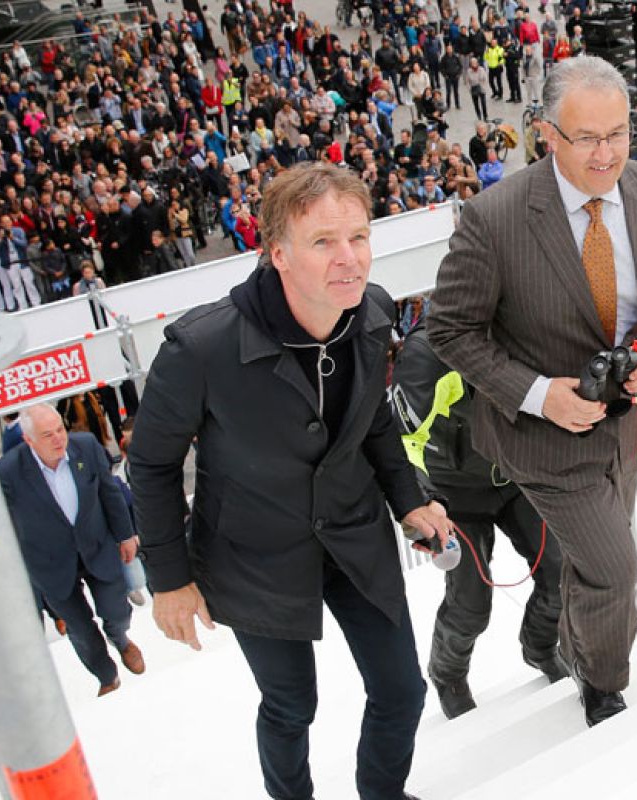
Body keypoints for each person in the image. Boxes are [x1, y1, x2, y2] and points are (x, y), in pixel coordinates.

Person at [128, 163, 452, 800]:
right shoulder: (201, 346)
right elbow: (152, 465)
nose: (349, 259)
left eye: (358, 237)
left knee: (402, 690)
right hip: (253, 554)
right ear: (277, 252)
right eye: (323, 242)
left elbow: (375, 422)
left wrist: (409, 501)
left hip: (353, 533)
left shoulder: (374, 312)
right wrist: (170, 579)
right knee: (290, 705)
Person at [429, 56, 637, 728]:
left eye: (617, 134)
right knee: (615, 569)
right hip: (542, 439)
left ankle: (557, 644)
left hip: (630, 426)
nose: (605, 153)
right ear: (544, 135)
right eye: (586, 137)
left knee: (591, 558)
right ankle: (602, 686)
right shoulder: (492, 218)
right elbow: (449, 329)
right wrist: (536, 393)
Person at [391, 325, 566, 719]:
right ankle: (448, 673)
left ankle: (540, 646)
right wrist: (422, 505)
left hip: (514, 476)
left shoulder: (524, 325)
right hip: (452, 494)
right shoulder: (428, 353)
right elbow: (405, 442)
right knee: (471, 603)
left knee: (559, 570)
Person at [0, 404, 145, 697]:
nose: (57, 439)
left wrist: (125, 535)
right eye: (47, 434)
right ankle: (106, 675)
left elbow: (109, 492)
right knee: (79, 627)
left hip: (97, 545)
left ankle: (120, 637)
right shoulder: (8, 471)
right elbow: (2, 522)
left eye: (60, 430)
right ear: (29, 440)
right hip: (49, 561)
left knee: (115, 610)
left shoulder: (86, 447)